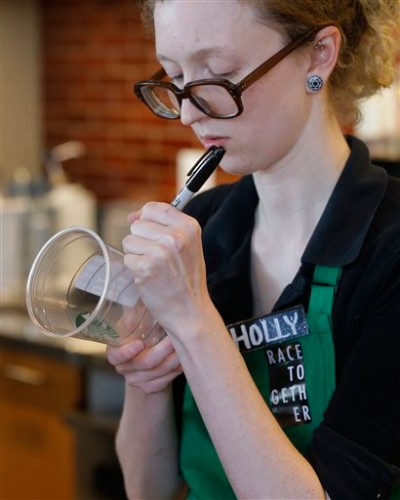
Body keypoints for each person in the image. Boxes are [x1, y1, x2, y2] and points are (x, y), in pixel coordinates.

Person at [106, 1, 400, 498]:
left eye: (219, 75)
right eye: (175, 77)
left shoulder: (388, 253)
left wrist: (192, 317)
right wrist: (146, 376)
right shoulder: (203, 228)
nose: (186, 112)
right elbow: (146, 487)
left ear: (319, 55)